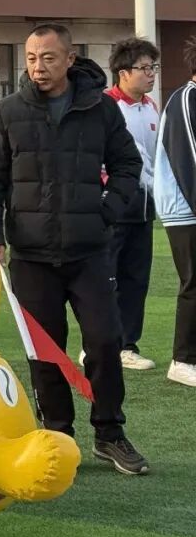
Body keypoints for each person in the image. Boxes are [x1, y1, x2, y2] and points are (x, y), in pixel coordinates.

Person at [0, 23, 149, 475]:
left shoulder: (100, 110)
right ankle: (57, 435)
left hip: (89, 251)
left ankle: (109, 433)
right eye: (31, 58)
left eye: (48, 58)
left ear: (70, 59)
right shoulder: (5, 113)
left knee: (106, 341)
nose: (38, 67)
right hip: (31, 256)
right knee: (45, 351)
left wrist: (107, 211)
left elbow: (128, 164)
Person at [104, 38, 161, 371]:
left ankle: (127, 345)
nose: (151, 74)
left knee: (136, 278)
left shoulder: (151, 107)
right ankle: (100, 343)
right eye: (144, 68)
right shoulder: (107, 106)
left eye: (153, 67)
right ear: (123, 72)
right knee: (106, 278)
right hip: (115, 204)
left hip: (144, 206)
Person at [153, 36, 196, 389]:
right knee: (194, 282)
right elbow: (189, 161)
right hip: (185, 209)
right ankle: (183, 360)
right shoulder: (186, 99)